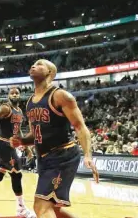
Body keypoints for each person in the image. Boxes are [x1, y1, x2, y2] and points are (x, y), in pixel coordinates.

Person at [10, 59, 99, 218]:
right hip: (44, 159)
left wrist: (88, 155)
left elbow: (80, 126)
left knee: (41, 207)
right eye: (33, 64)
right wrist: (22, 141)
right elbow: (36, 136)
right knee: (54, 209)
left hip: (62, 155)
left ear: (49, 73)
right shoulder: (30, 102)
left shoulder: (60, 96)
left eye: (39, 64)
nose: (33, 66)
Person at [0, 87, 35, 218]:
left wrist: (26, 147)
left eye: (17, 93)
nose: (14, 94)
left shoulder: (19, 111)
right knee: (17, 175)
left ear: (20, 95)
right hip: (2, 144)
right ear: (8, 96)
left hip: (9, 145)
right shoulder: (5, 108)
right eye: (12, 93)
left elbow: (18, 131)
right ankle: (21, 209)